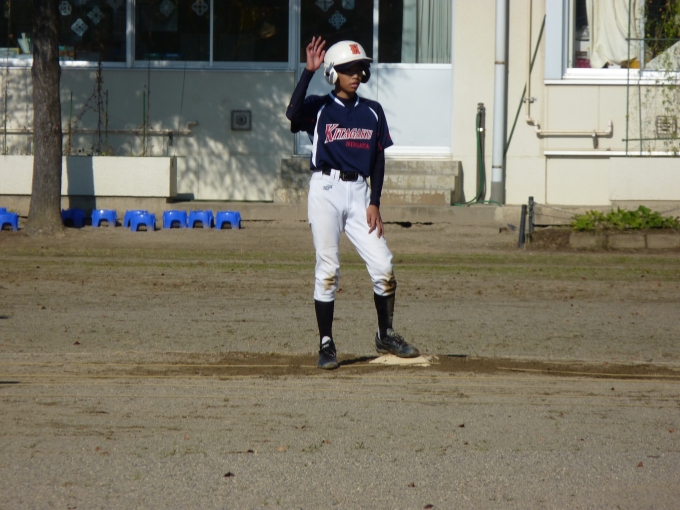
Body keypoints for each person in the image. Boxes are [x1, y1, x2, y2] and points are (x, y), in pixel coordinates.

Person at [286, 37, 420, 370]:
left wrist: (375, 202)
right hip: (326, 189)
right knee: (328, 269)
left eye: (360, 68)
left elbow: (378, 159)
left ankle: (385, 334)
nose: (356, 74)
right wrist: (308, 72)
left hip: (360, 192)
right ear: (333, 73)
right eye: (348, 69)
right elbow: (292, 114)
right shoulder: (319, 107)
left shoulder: (373, 111)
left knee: (384, 265)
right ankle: (326, 343)